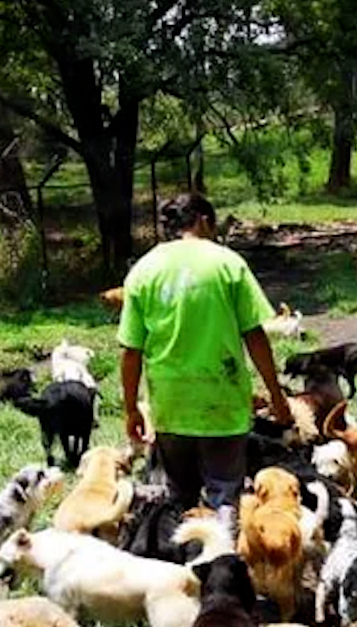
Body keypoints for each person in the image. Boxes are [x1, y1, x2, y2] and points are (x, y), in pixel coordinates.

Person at [119, 193, 290, 511]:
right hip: (222, 402)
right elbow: (254, 336)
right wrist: (276, 395)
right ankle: (222, 555)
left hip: (170, 404)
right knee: (224, 495)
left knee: (180, 496)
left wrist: (131, 408)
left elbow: (131, 351)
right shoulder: (227, 264)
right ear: (204, 221)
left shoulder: (144, 270)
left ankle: (184, 556)